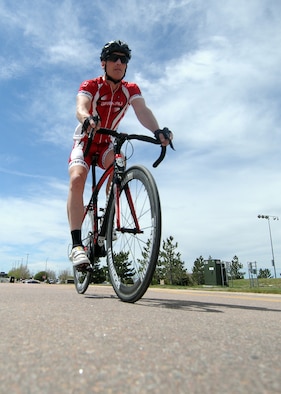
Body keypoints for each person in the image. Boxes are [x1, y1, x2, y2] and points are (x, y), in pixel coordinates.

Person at [67, 40, 173, 269]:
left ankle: (107, 218)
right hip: (87, 140)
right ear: (103, 63)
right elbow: (81, 106)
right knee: (77, 180)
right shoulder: (92, 85)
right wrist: (87, 118)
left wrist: (157, 131)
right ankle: (77, 246)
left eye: (123, 60)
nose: (118, 62)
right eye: (113, 58)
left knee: (119, 164)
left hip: (106, 143)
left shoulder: (130, 89)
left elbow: (142, 111)